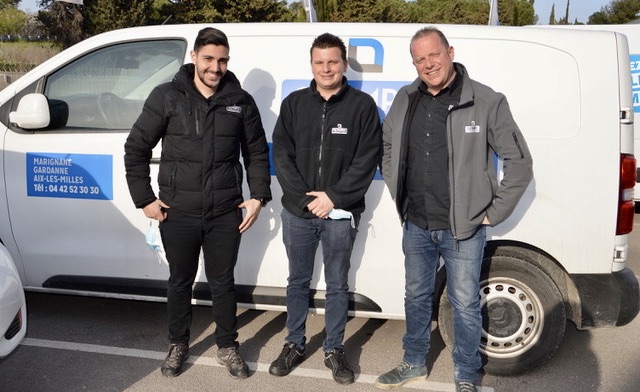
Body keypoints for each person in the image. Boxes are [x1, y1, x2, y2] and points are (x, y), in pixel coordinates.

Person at [376, 27, 533, 392]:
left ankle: (465, 374)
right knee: (415, 296)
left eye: (434, 55)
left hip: (463, 227)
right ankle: (414, 363)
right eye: (420, 59)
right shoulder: (406, 97)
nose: (428, 64)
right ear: (413, 63)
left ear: (450, 51)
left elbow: (519, 161)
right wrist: (396, 186)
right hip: (415, 222)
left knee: (463, 303)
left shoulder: (486, 100)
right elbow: (388, 144)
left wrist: (495, 210)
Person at [124, 27, 271, 379]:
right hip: (179, 210)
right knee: (180, 281)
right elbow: (136, 148)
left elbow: (256, 153)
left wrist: (258, 197)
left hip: (224, 211)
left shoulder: (241, 101)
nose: (215, 67)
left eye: (222, 60)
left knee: (223, 282)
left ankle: (227, 345)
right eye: (208, 58)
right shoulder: (167, 96)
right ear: (193, 57)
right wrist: (144, 198)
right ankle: (178, 344)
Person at [269, 32, 381, 385]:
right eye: (319, 62)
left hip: (339, 214)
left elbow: (366, 160)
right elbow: (282, 155)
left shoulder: (362, 106)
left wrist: (332, 197)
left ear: (344, 64)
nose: (326, 68)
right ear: (312, 65)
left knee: (336, 284)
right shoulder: (294, 104)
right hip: (298, 213)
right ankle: (294, 344)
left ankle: (334, 348)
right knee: (297, 282)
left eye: (333, 61)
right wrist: (305, 199)